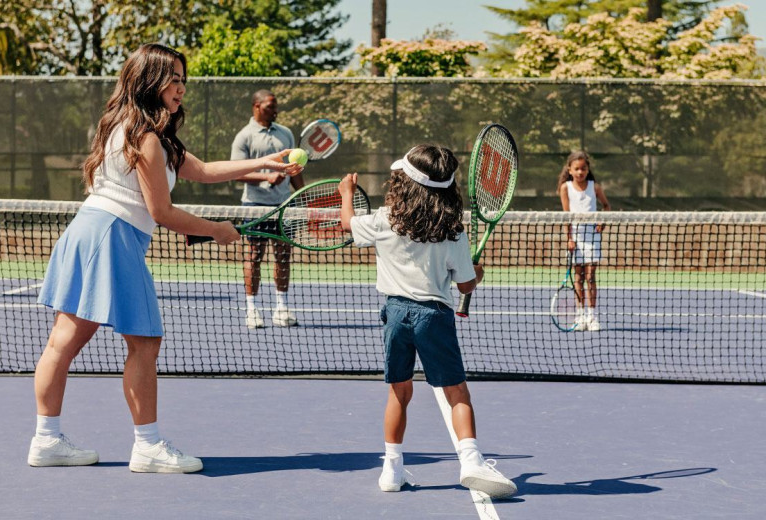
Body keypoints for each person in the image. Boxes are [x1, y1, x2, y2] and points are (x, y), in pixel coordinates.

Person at [28, 43, 302, 473]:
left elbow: (206, 170)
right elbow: (162, 212)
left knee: (62, 342)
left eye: (183, 79)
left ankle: (45, 440)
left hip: (88, 230)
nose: (181, 88)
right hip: (112, 236)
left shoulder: (130, 129)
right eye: (173, 78)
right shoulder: (147, 138)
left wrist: (264, 164)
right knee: (144, 342)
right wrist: (217, 230)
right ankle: (148, 446)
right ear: (149, 81)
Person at [338, 145, 517, 499]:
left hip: (396, 315)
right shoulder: (453, 231)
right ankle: (471, 461)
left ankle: (391, 469)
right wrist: (476, 274)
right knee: (457, 393)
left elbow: (347, 223)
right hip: (434, 317)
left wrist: (346, 194)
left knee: (399, 392)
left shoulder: (385, 219)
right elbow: (465, 284)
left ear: (404, 182)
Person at [231, 90, 305, 329]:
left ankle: (281, 308)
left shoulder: (285, 134)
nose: (276, 110)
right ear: (256, 106)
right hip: (254, 206)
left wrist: (301, 198)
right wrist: (265, 177)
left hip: (284, 206)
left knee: (283, 256)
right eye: (270, 106)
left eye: (276, 106)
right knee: (254, 256)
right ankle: (252, 310)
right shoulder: (244, 136)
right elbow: (236, 171)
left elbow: (295, 170)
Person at [557, 150, 611, 331]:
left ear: (588, 169)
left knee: (590, 277)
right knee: (578, 277)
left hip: (592, 237)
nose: (580, 172)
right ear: (570, 170)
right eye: (577, 169)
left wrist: (602, 221)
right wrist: (569, 239)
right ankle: (580, 316)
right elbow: (566, 215)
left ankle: (592, 316)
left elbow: (606, 206)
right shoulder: (565, 188)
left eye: (584, 169)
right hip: (576, 237)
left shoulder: (594, 187)